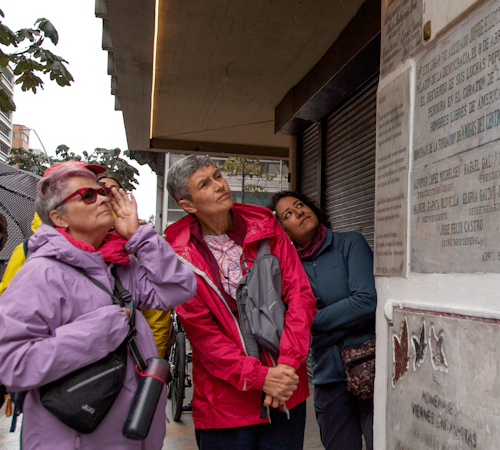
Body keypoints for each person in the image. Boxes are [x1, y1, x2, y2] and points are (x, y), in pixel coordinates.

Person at [0, 160, 197, 449]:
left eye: (102, 191)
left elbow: (180, 287)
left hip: (132, 434)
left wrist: (140, 237)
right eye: (88, 196)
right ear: (59, 217)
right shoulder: (40, 273)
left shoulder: (118, 265)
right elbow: (13, 364)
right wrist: (100, 332)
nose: (103, 198)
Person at [163, 155, 316, 449]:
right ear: (188, 205)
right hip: (226, 404)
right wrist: (261, 378)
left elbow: (300, 297)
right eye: (204, 184)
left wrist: (285, 367)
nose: (219, 185)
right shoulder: (179, 256)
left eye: (217, 176)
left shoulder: (267, 230)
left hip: (285, 391)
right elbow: (204, 335)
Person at [269, 190, 377, 450]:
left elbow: (366, 302)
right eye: (289, 214)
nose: (299, 212)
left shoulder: (350, 244)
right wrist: (348, 318)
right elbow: (290, 324)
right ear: (283, 231)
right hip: (328, 377)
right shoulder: (286, 268)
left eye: (300, 205)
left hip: (370, 367)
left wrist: (312, 320)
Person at [98, 172, 172, 359]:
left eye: (111, 190)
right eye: (98, 190)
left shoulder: (137, 241)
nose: (104, 196)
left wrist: (151, 363)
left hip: (133, 356)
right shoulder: (39, 252)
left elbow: (159, 311)